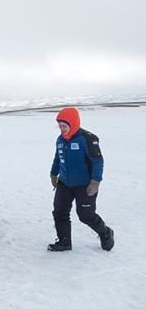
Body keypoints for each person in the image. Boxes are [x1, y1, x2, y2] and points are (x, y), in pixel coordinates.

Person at [48, 107, 114, 252]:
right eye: (60, 126)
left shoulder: (87, 139)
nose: (62, 129)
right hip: (65, 183)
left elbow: (98, 161)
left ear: (73, 123)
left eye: (64, 126)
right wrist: (54, 174)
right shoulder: (60, 140)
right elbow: (57, 159)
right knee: (59, 212)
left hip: (85, 185)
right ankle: (64, 242)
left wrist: (95, 182)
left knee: (86, 216)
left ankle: (105, 232)